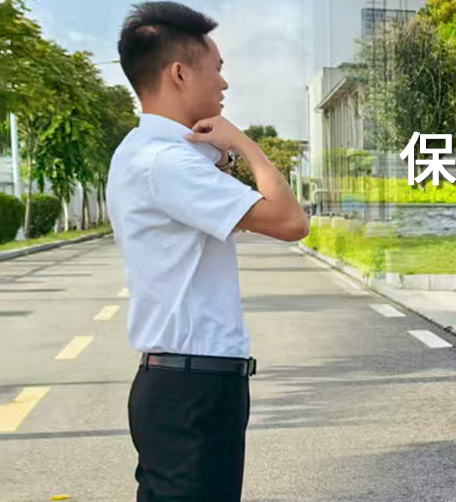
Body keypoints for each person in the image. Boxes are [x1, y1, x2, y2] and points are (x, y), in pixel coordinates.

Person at [105, 2, 309, 500]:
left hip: (183, 384)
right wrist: (245, 144)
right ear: (179, 73)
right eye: (216, 68)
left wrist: (218, 158)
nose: (223, 83)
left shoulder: (141, 151)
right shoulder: (168, 163)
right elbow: (290, 222)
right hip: (192, 389)